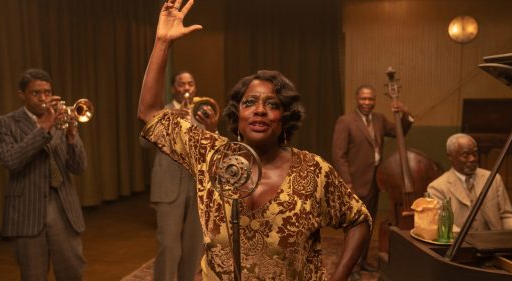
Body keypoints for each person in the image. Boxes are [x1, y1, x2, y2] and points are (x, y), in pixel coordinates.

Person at [137, 1, 372, 280]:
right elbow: (150, 112)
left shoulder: (313, 172)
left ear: (284, 118)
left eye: (271, 104)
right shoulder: (211, 156)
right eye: (250, 102)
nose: (259, 109)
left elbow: (359, 220)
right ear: (238, 115)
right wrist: (162, 43)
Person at [0, 68, 87, 280]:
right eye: (35, 93)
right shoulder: (3, 124)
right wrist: (42, 129)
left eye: (47, 92)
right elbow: (12, 161)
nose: (43, 98)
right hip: (27, 210)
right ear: (21, 95)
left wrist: (72, 137)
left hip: (63, 208)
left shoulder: (61, 120)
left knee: (73, 272)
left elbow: (79, 167)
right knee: (33, 275)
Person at [141, 71, 218, 281]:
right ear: (173, 88)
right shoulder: (162, 112)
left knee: (194, 247)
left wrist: (213, 128)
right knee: (168, 245)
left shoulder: (205, 112)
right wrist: (168, 122)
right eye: (181, 84)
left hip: (197, 186)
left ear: (195, 88)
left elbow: (215, 149)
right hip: (168, 185)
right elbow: (144, 143)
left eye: (190, 84)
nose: (186, 88)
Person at [331, 84, 413, 271]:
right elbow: (338, 155)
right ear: (356, 99)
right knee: (354, 228)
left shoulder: (380, 119)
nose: (367, 102)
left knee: (368, 225)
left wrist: (405, 113)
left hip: (375, 183)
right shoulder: (346, 121)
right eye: (363, 99)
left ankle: (362, 262)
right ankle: (351, 267)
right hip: (354, 184)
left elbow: (400, 132)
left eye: (371, 99)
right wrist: (347, 183)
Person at [427, 133, 512, 232]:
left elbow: (506, 217)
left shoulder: (493, 179)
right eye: (465, 155)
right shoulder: (437, 188)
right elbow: (444, 225)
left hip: (493, 243)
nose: (473, 159)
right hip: (460, 245)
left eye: (475, 153)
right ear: (450, 156)